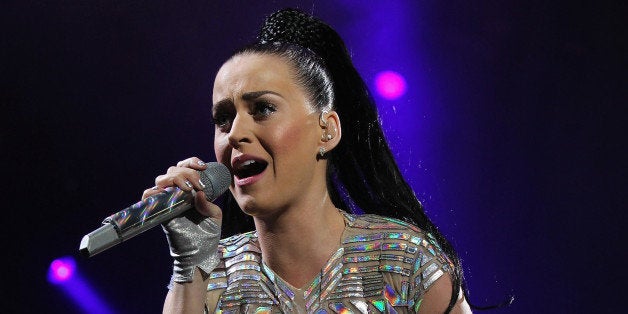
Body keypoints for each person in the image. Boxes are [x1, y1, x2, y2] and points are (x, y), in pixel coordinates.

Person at [143, 8, 472, 313]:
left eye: (263, 109)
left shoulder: (403, 262)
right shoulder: (210, 280)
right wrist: (189, 266)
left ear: (327, 130)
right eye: (224, 119)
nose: (235, 134)